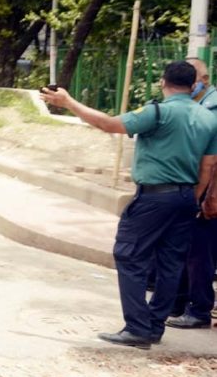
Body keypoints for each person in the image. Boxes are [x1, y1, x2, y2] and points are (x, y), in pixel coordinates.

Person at [41, 61, 217, 349]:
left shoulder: (157, 112)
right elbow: (208, 166)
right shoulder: (209, 119)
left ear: (163, 82)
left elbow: (108, 124)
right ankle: (154, 327)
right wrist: (192, 198)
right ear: (194, 85)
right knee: (171, 263)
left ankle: (137, 327)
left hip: (154, 197)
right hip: (186, 198)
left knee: (130, 256)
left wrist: (68, 101)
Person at [167, 57, 217, 329]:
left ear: (202, 80)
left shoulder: (213, 107)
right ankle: (182, 303)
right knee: (189, 250)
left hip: (208, 191)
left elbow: (211, 159)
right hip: (197, 187)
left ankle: (199, 310)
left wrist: (205, 196)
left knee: (200, 253)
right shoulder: (200, 104)